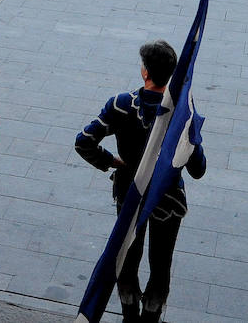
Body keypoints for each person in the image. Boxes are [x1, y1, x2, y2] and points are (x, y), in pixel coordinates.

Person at [75, 40, 207, 323]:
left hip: (129, 194)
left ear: (145, 73)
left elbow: (84, 142)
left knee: (127, 259)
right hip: (167, 199)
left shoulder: (122, 105)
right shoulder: (183, 115)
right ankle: (151, 317)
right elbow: (199, 169)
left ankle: (129, 316)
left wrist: (113, 161)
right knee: (160, 264)